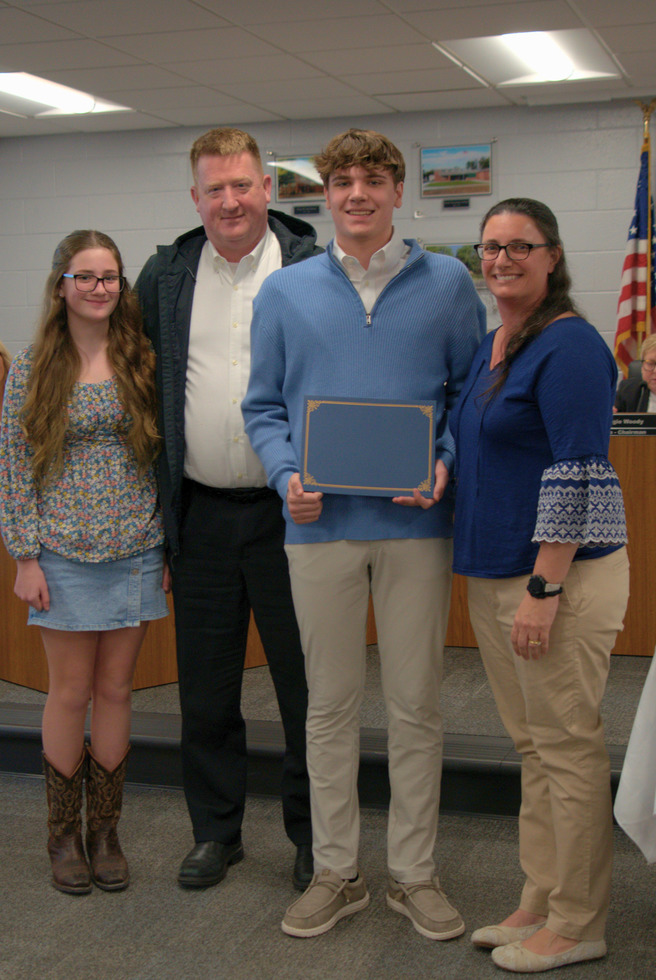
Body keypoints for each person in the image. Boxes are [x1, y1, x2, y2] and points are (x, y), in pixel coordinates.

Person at [242, 128, 486, 941]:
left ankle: (413, 874)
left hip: (417, 525)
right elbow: (264, 406)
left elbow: (465, 398)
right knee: (329, 708)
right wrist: (286, 476)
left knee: (416, 705)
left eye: (372, 179)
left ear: (396, 190)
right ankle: (336, 872)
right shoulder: (286, 291)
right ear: (324, 193)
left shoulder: (449, 283)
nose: (355, 192)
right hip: (318, 531)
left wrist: (443, 460)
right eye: (340, 179)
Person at [136, 128, 319, 891]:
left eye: (243, 184)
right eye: (215, 188)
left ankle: (317, 840)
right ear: (196, 198)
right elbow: (141, 390)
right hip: (202, 518)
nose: (231, 200)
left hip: (297, 518)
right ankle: (217, 833)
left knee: (309, 691)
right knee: (205, 691)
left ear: (268, 189)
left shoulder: (313, 268)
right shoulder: (166, 275)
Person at [451, 198, 629, 973]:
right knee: (535, 747)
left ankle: (580, 920)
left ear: (552, 256)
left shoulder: (572, 347)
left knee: (568, 748)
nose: (502, 259)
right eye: (491, 247)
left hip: (557, 580)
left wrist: (544, 589)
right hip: (494, 572)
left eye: (520, 246)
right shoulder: (497, 342)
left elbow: (578, 472)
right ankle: (543, 895)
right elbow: (478, 447)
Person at [0, 230, 166, 894]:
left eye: (111, 278)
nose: (100, 289)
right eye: (86, 276)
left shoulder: (141, 358)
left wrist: (168, 546)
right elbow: (13, 465)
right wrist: (24, 556)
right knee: (69, 692)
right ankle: (63, 836)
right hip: (63, 551)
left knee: (117, 690)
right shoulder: (38, 363)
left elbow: (164, 456)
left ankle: (106, 832)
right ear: (61, 283)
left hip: (137, 546)